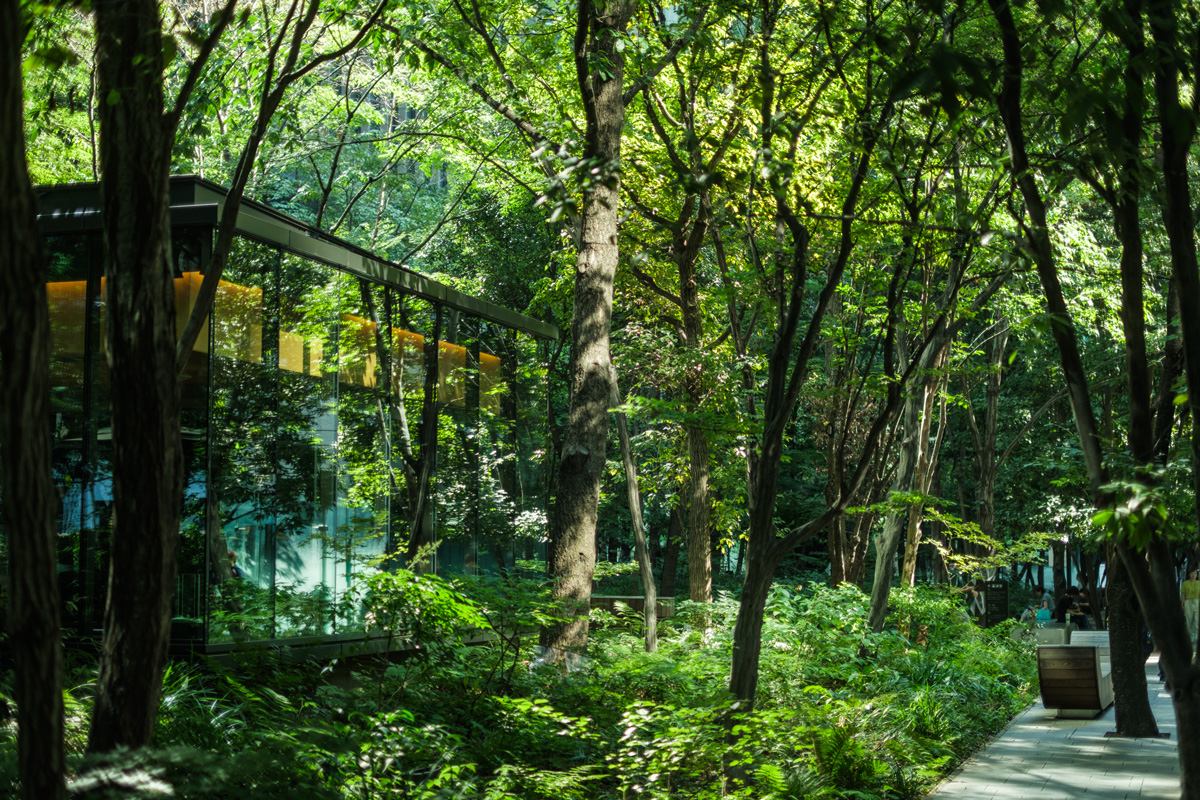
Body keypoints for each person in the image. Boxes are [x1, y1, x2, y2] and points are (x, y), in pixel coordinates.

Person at [1182, 569, 1199, 644]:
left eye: (1195, 573)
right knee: (1189, 621)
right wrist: (1182, 603)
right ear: (1189, 575)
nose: (1193, 575)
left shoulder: (1199, 583)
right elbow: (1183, 594)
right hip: (1188, 602)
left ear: (1197, 575)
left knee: (1197, 620)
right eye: (1192, 573)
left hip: (1197, 602)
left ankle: (1197, 638)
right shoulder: (1185, 583)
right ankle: (1190, 638)